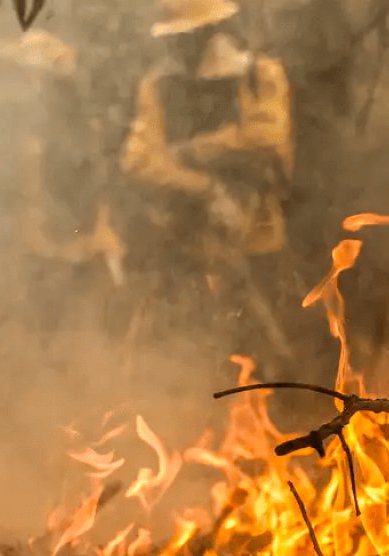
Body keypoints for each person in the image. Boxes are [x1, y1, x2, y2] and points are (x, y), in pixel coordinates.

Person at [118, 0, 294, 361]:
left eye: (190, 36)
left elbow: (266, 137)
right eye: (176, 38)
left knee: (262, 349)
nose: (181, 46)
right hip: (181, 237)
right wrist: (207, 190)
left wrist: (195, 151)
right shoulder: (158, 85)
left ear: (213, 31)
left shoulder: (258, 75)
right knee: (185, 350)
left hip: (255, 233)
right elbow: (140, 160)